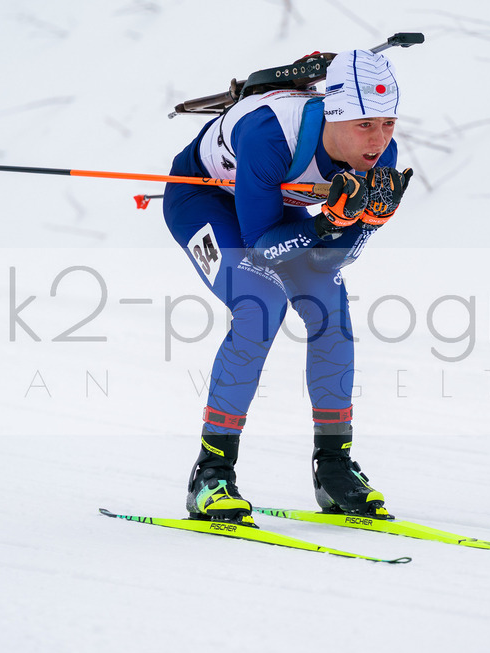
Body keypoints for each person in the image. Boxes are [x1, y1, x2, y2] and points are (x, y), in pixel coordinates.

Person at [162, 49, 413, 526]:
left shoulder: (380, 157)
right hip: (203, 198)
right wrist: (329, 223)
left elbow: (330, 259)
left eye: (388, 122)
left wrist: (363, 224)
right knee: (260, 303)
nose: (379, 139)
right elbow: (260, 249)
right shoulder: (270, 134)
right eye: (365, 124)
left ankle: (334, 468)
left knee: (329, 309)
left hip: (275, 204)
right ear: (334, 115)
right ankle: (211, 474)